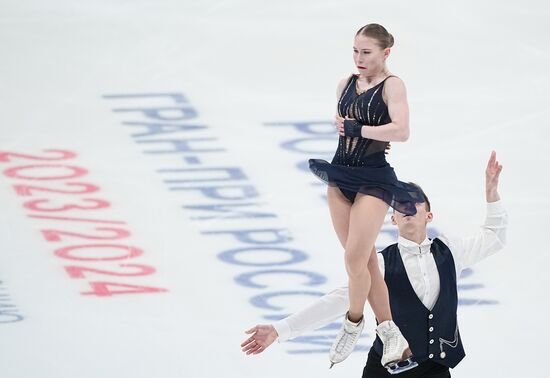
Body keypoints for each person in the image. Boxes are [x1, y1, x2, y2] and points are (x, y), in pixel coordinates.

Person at [241, 151, 506, 377]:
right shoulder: (379, 263)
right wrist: (280, 329)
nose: (407, 207)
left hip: (436, 368)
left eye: (414, 201)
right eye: (400, 204)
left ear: (429, 214)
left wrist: (492, 193)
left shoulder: (451, 251)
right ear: (392, 220)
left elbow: (494, 237)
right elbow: (339, 300)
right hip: (385, 370)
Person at [307, 23, 424, 372]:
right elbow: (343, 124)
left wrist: (361, 129)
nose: (359, 58)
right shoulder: (345, 84)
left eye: (367, 52)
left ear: (386, 53)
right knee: (364, 261)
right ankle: (389, 331)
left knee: (355, 259)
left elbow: (401, 131)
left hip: (374, 178)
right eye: (355, 51)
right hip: (340, 173)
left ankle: (353, 321)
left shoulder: (393, 85)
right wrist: (344, 126)